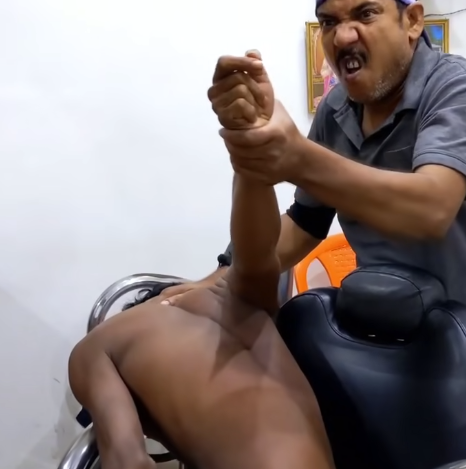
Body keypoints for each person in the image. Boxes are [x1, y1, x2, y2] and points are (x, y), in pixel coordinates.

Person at [161, 0, 466, 467]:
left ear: (412, 21)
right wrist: (221, 278)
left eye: (365, 14)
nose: (343, 36)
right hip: (386, 350)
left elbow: (431, 207)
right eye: (330, 22)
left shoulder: (461, 90)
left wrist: (296, 156)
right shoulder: (336, 110)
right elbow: (304, 223)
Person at [67, 63, 334, 469]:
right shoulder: (241, 303)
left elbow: (127, 459)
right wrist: (247, 149)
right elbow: (256, 253)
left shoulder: (96, 349)